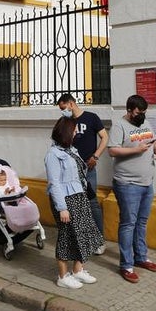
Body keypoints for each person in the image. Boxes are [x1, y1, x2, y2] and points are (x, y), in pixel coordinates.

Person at [108, 94, 156, 284]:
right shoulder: (119, 125)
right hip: (127, 184)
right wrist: (135, 150)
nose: (142, 115)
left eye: (144, 112)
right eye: (139, 112)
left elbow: (154, 140)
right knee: (128, 223)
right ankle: (126, 265)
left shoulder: (145, 123)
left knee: (141, 222)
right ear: (130, 110)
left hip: (147, 182)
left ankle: (141, 257)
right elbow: (112, 150)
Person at [46, 116, 104, 289]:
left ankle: (78, 270)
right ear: (66, 132)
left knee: (85, 232)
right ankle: (63, 276)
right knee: (67, 236)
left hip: (79, 196)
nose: (77, 132)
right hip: (65, 200)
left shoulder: (72, 150)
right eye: (74, 130)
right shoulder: (53, 155)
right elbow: (54, 183)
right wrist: (62, 208)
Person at [57, 93, 107, 247]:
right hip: (70, 170)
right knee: (74, 203)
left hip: (88, 167)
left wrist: (96, 156)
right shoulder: (66, 122)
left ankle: (99, 240)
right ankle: (81, 238)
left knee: (92, 202)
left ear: (71, 104)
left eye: (64, 108)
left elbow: (104, 137)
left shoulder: (91, 117)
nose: (63, 111)